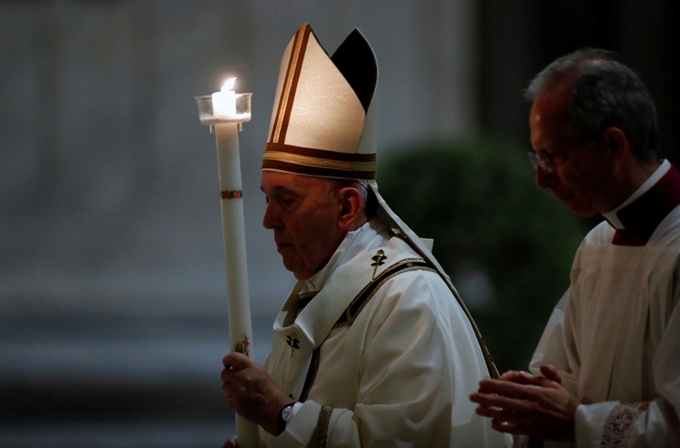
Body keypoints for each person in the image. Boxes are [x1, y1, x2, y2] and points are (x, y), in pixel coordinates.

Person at [220, 23, 510, 448]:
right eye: (267, 198)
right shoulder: (321, 289)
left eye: (287, 200)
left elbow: (397, 442)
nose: (268, 221)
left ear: (347, 208)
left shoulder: (408, 301)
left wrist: (279, 414)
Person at [469, 48, 680, 447]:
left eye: (552, 156)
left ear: (614, 145)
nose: (541, 179)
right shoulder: (598, 244)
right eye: (538, 156)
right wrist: (533, 400)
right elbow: (559, 370)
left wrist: (576, 422)